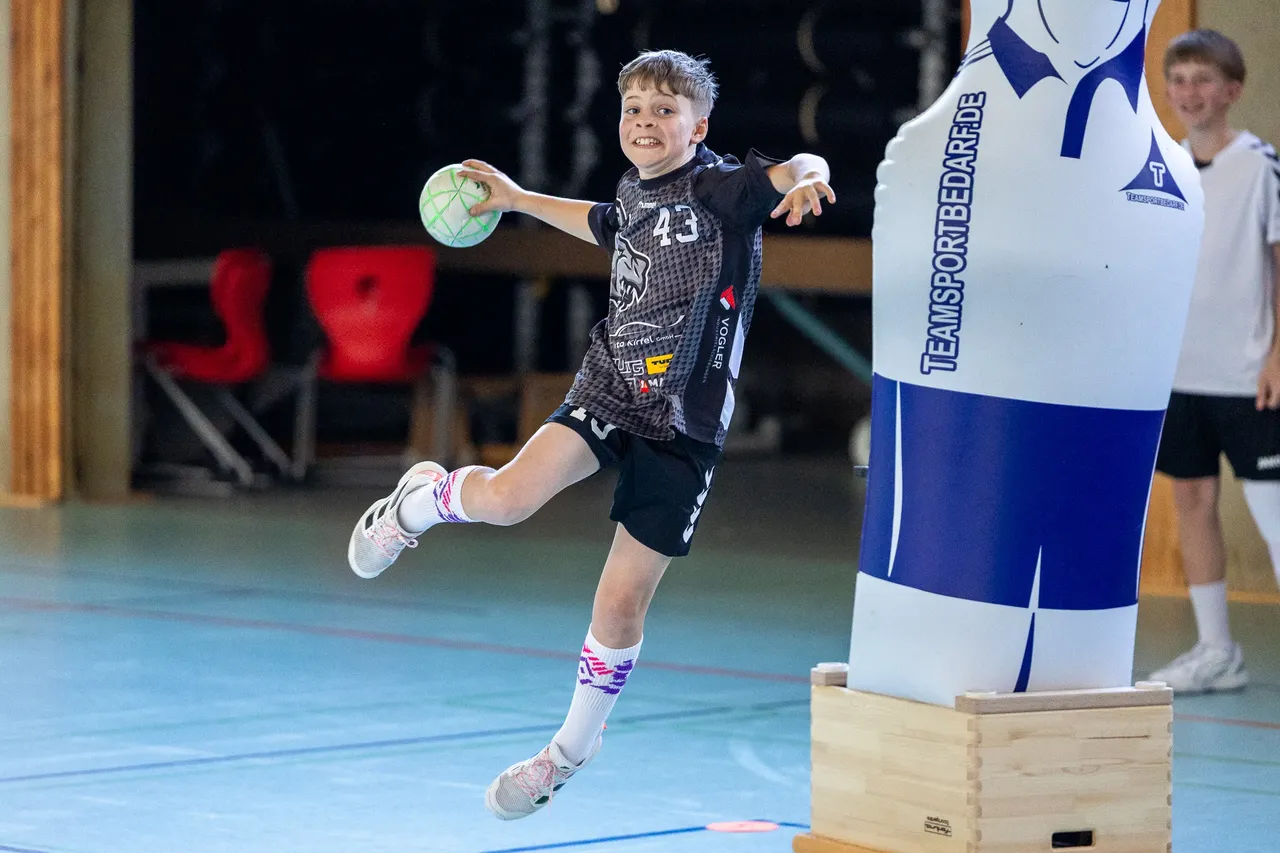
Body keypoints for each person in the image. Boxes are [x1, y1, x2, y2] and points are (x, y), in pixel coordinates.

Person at [345, 49, 834, 818]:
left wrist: (807, 172)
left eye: (663, 110)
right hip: (612, 383)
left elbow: (795, 164)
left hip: (686, 425)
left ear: (698, 125)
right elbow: (600, 223)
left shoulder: (723, 190)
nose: (645, 121)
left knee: (621, 604)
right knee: (506, 499)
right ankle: (417, 502)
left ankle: (567, 752)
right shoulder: (635, 193)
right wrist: (513, 197)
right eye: (633, 108)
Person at [1149, 29, 1280, 694]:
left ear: (1232, 91)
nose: (1190, 92)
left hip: (1247, 372)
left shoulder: (1261, 166)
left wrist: (1278, 354)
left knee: (1272, 507)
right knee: (1193, 499)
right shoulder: (1162, 165)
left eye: (1204, 80)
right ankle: (1216, 649)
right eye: (1180, 80)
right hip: (1180, 374)